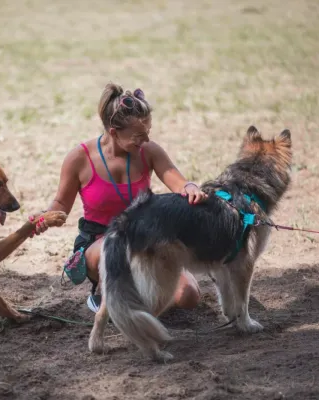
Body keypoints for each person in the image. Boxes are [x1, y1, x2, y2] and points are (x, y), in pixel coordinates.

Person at [29, 83, 207, 313]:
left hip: (144, 240)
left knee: (188, 296)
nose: (145, 140)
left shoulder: (149, 151)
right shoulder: (79, 158)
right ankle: (114, 298)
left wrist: (192, 188)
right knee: (115, 251)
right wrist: (45, 216)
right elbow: (61, 204)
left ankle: (133, 300)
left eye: (148, 134)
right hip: (100, 242)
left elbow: (179, 182)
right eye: (138, 137)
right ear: (114, 132)